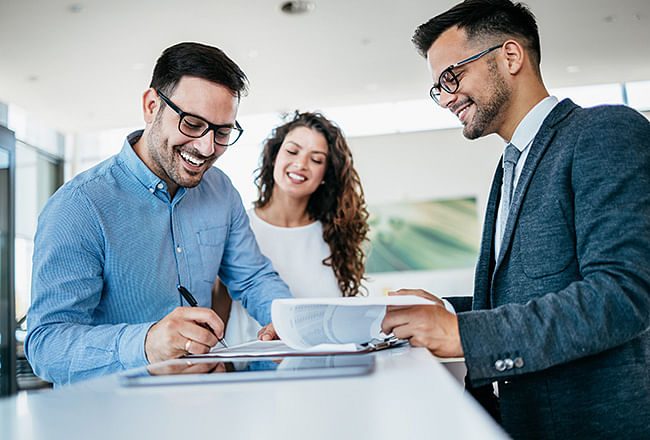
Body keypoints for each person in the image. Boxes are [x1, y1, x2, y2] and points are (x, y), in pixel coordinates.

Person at [381, 1, 650, 438]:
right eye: (438, 88)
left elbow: (623, 294)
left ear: (510, 57)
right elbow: (529, 293)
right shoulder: (509, 166)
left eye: (452, 76)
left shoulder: (604, 131)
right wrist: (443, 310)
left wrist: (464, 334)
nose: (446, 98)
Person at [25, 42, 292, 386]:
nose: (207, 148)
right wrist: (148, 345)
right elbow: (46, 346)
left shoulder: (221, 191)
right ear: (152, 107)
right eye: (193, 124)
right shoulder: (79, 207)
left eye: (223, 132)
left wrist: (288, 320)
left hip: (204, 402)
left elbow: (253, 278)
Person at [223, 111, 369, 344]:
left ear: (325, 174)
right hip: (254, 372)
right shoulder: (237, 228)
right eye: (292, 151)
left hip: (326, 368)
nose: (301, 164)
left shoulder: (334, 234)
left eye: (316, 159)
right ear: (274, 156)